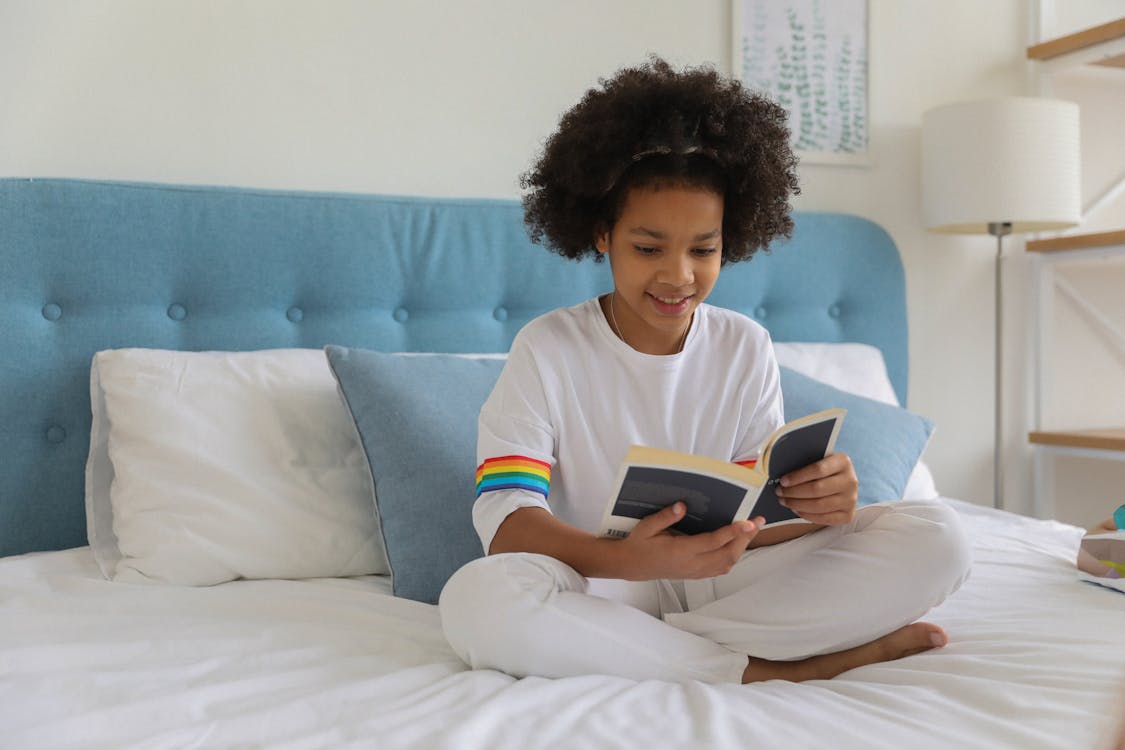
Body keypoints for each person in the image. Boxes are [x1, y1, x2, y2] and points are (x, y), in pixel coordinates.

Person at [439, 57, 971, 684]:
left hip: (725, 582)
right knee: (477, 599)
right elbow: (506, 520)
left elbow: (754, 522)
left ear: (731, 239)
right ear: (601, 234)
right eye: (648, 248)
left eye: (704, 249)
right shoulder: (548, 347)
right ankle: (772, 669)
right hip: (601, 583)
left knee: (941, 535)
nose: (678, 276)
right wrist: (630, 559)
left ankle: (646, 654)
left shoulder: (746, 345)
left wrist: (821, 508)